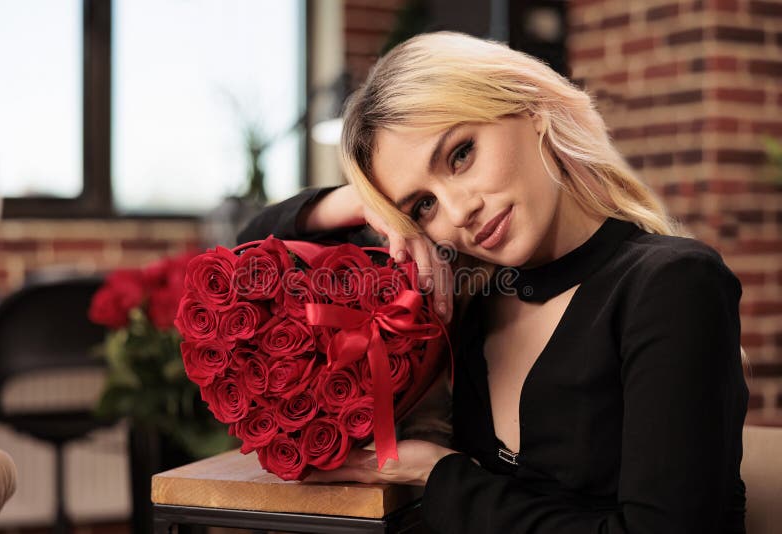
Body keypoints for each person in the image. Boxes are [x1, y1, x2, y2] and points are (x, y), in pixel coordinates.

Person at [237, 31, 748, 534]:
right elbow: (245, 255)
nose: (460, 211)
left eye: (460, 154)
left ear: (531, 110)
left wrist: (437, 475)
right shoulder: (474, 303)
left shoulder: (672, 284)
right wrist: (361, 202)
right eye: (424, 205)